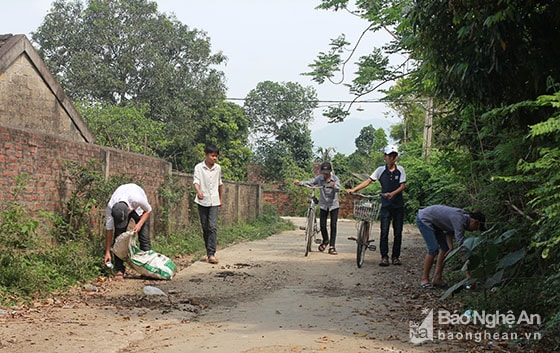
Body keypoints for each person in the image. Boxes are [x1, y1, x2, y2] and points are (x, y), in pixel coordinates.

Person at [346, 145, 406, 266]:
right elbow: (368, 181)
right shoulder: (380, 170)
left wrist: (392, 194)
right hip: (385, 206)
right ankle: (384, 257)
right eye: (390, 156)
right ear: (385, 156)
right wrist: (354, 189)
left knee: (398, 232)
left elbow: (402, 186)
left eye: (394, 156)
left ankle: (395, 257)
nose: (392, 158)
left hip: (398, 205)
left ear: (396, 157)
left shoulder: (401, 170)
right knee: (384, 231)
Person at [416, 205, 486, 289]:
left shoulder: (463, 219)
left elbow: (449, 231)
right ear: (475, 222)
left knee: (445, 249)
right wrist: (469, 276)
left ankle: (437, 279)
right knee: (433, 249)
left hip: (435, 223)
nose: (474, 230)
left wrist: (450, 246)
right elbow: (462, 246)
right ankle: (424, 280)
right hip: (424, 218)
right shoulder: (459, 219)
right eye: (476, 228)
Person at [104, 183, 152, 280]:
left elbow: (148, 210)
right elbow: (109, 230)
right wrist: (107, 251)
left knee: (144, 237)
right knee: (118, 238)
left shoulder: (137, 199)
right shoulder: (110, 206)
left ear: (128, 210)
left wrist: (139, 225)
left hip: (140, 209)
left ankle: (147, 268)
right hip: (123, 203)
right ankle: (119, 269)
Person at [294, 161, 341, 255]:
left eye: (327, 173)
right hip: (323, 204)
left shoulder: (335, 179)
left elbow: (339, 188)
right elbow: (311, 182)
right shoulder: (319, 178)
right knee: (322, 225)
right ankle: (325, 240)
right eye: (323, 172)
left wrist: (334, 186)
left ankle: (332, 246)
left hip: (333, 205)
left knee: (333, 225)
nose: (325, 175)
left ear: (330, 172)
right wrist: (300, 183)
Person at [193, 144, 223, 264]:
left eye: (216, 156)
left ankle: (212, 254)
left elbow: (220, 184)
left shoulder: (218, 168)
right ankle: (208, 252)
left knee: (212, 226)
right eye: (212, 155)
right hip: (202, 200)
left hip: (214, 201)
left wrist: (220, 199)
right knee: (205, 227)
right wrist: (198, 191)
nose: (214, 158)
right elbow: (196, 181)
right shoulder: (199, 167)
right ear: (206, 155)